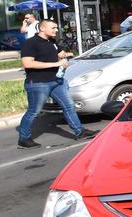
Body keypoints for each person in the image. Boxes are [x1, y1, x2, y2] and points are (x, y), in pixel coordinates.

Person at [17, 19, 97, 148]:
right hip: (38, 83)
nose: (56, 30)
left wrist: (68, 55)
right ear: (42, 29)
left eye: (56, 28)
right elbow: (28, 63)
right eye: (53, 28)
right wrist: (56, 63)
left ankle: (80, 132)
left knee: (69, 106)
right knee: (34, 112)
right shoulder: (30, 43)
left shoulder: (52, 42)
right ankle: (24, 139)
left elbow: (60, 54)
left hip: (56, 81)